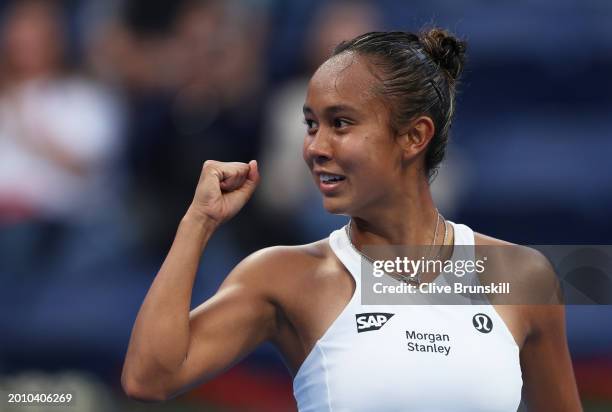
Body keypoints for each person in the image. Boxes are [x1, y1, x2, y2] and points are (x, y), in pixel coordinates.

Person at [122, 28, 582, 411]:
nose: (316, 147)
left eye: (340, 123)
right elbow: (150, 377)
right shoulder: (284, 277)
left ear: (414, 136)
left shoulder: (521, 276)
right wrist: (197, 222)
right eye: (311, 124)